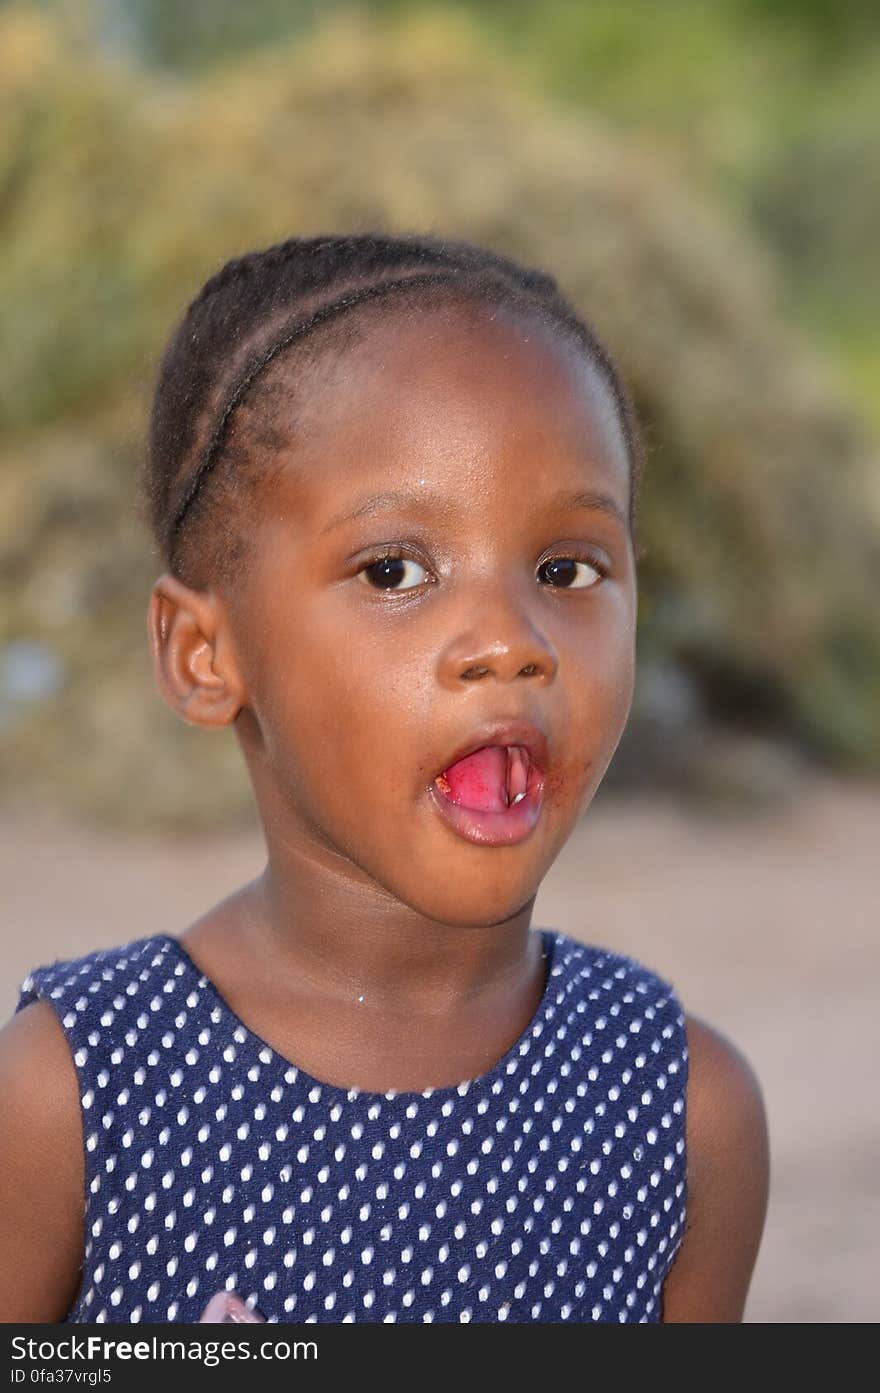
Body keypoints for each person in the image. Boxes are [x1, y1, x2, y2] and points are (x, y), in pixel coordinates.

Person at [0, 232, 769, 1325]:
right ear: (203, 655)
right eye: (395, 570)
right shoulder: (77, 1096)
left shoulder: (680, 1112)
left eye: (567, 568)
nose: (508, 641)